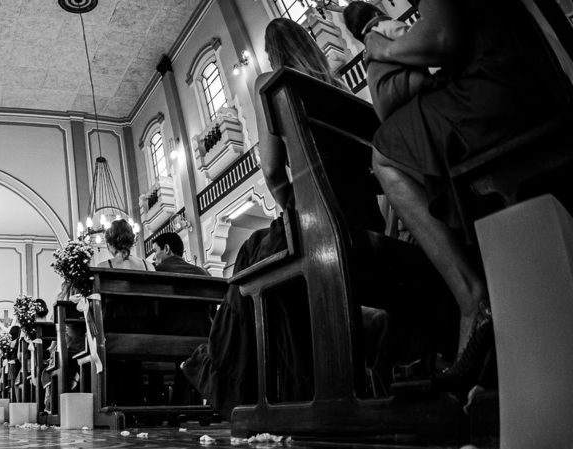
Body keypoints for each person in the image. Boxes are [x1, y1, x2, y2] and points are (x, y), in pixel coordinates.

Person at [182, 17, 384, 417]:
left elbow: (272, 170)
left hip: (316, 224)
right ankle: (295, 382)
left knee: (248, 262)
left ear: (272, 54)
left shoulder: (272, 84)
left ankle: (229, 382)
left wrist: (298, 201)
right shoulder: (344, 91)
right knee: (268, 263)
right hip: (364, 221)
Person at [368, 0, 570, 391]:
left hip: (498, 82)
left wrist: (381, 49)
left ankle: (473, 299)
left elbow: (442, 35)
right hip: (533, 73)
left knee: (384, 150)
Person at [341, 1, 433, 122]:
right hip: (411, 91)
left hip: (391, 114)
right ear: (376, 14)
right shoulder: (385, 25)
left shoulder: (368, 52)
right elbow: (420, 43)